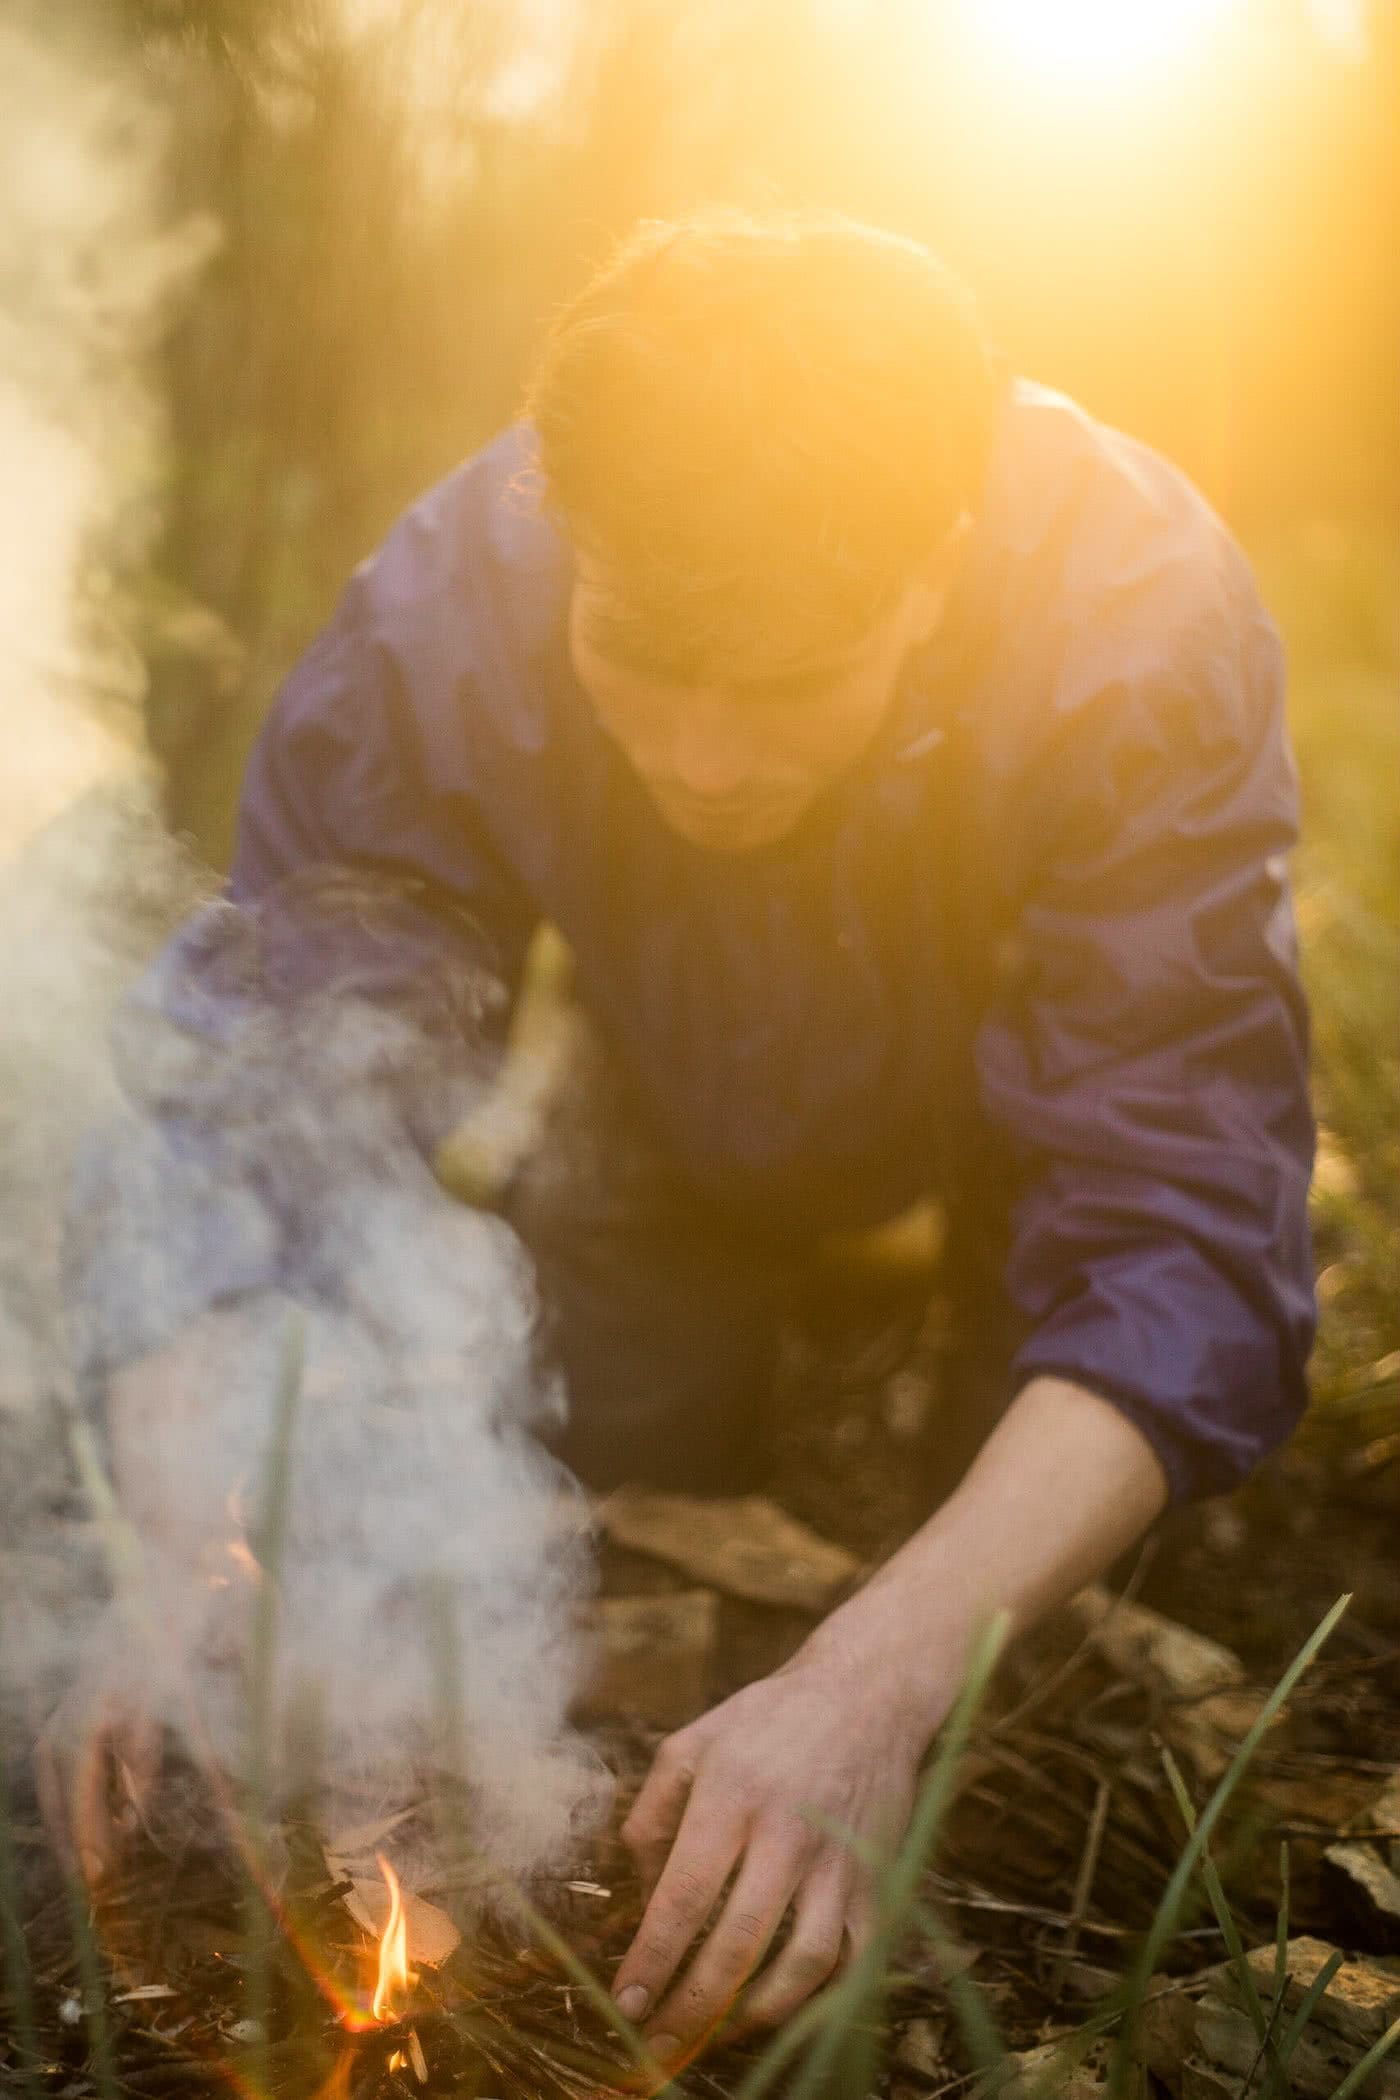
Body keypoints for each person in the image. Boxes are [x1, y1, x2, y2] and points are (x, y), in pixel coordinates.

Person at [47, 212, 1314, 2056]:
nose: (705, 756)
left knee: (993, 1679)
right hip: (668, 1090)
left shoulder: (1140, 620)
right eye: (641, 660)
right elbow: (271, 1080)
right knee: (606, 1522)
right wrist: (182, 1528)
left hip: (1031, 1112)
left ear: (936, 566)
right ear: (568, 543)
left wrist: (877, 1681)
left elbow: (1182, 1220)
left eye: (789, 683)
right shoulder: (455, 595)